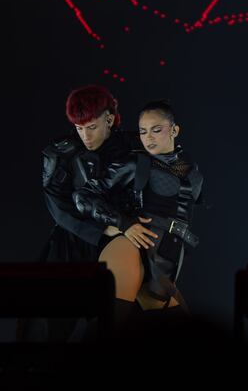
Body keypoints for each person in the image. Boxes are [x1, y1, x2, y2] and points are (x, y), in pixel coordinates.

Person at [17, 85, 135, 342]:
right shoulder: (61, 153)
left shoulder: (133, 148)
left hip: (122, 244)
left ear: (109, 118)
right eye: (80, 128)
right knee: (49, 327)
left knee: (124, 324)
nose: (86, 136)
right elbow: (58, 208)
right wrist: (100, 231)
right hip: (71, 245)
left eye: (91, 127)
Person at [73, 100, 203, 332]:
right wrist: (123, 223)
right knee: (110, 327)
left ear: (174, 130)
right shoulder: (136, 164)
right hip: (130, 248)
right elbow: (84, 196)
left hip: (164, 255)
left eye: (156, 130)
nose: (148, 137)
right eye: (143, 131)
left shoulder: (189, 166)